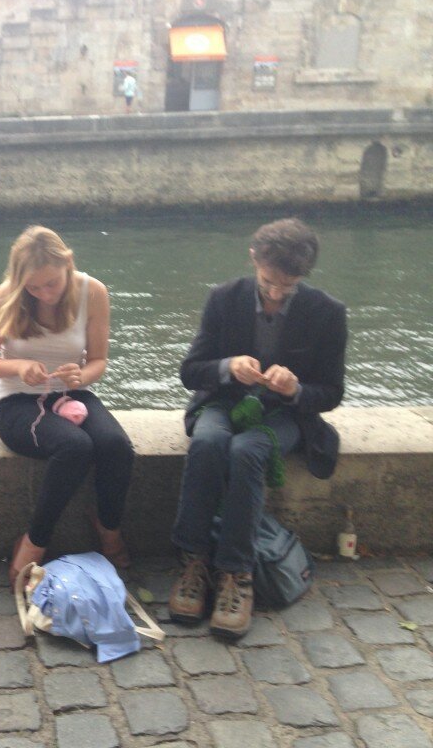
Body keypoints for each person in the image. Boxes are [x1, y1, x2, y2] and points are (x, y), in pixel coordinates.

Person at [168, 218, 347, 638]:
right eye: (268, 282)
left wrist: (296, 388)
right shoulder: (223, 299)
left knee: (248, 450)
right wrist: (228, 367)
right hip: (224, 400)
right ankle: (193, 562)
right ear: (254, 259)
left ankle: (236, 573)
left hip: (285, 413)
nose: (275, 293)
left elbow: (333, 392)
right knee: (209, 441)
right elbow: (191, 372)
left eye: (288, 286)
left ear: (303, 277)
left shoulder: (327, 312)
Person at [0, 226, 135, 584]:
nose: (44, 294)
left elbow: (98, 361)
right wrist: (18, 366)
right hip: (17, 400)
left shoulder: (92, 292)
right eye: (33, 287)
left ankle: (108, 529)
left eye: (52, 284)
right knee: (75, 447)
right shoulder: (7, 295)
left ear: (68, 265)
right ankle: (34, 543)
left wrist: (81, 376)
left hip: (69, 393)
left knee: (116, 446)